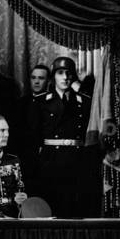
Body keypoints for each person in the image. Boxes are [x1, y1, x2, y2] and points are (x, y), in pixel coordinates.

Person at [29, 56, 95, 216]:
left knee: (75, 209)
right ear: (53, 76)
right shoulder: (40, 102)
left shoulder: (84, 101)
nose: (65, 77)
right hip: (50, 161)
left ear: (73, 76)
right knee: (52, 207)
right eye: (60, 73)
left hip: (76, 161)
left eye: (68, 73)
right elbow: (32, 136)